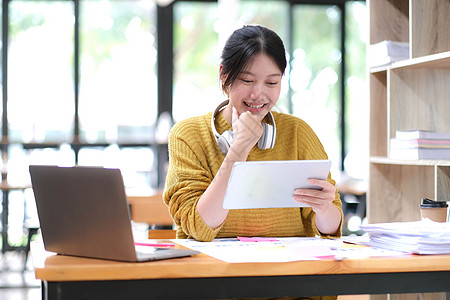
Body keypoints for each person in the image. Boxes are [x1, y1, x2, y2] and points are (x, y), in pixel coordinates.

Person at [163, 25, 343, 244]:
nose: (258, 94)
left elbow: (331, 227)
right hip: (214, 272)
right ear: (224, 75)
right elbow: (199, 227)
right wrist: (239, 149)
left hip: (286, 271)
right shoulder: (188, 135)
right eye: (247, 81)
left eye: (271, 82)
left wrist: (324, 208)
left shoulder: (298, 132)